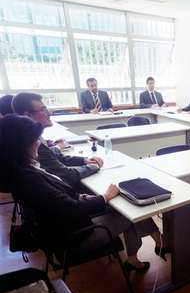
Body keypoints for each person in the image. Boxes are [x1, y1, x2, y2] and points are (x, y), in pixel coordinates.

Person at [0, 114, 164, 273]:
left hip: (66, 228)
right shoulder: (30, 179)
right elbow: (71, 209)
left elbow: (57, 200)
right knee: (129, 212)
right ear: (21, 145)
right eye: (34, 140)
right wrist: (104, 197)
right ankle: (156, 246)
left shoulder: (22, 173)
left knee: (126, 205)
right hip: (75, 239)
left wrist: (83, 197)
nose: (38, 143)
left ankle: (154, 246)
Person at [12, 93, 103, 189]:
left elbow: (54, 157)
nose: (49, 113)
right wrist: (94, 167)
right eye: (43, 109)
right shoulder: (32, 143)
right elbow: (67, 175)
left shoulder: (31, 137)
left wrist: (85, 160)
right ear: (27, 115)